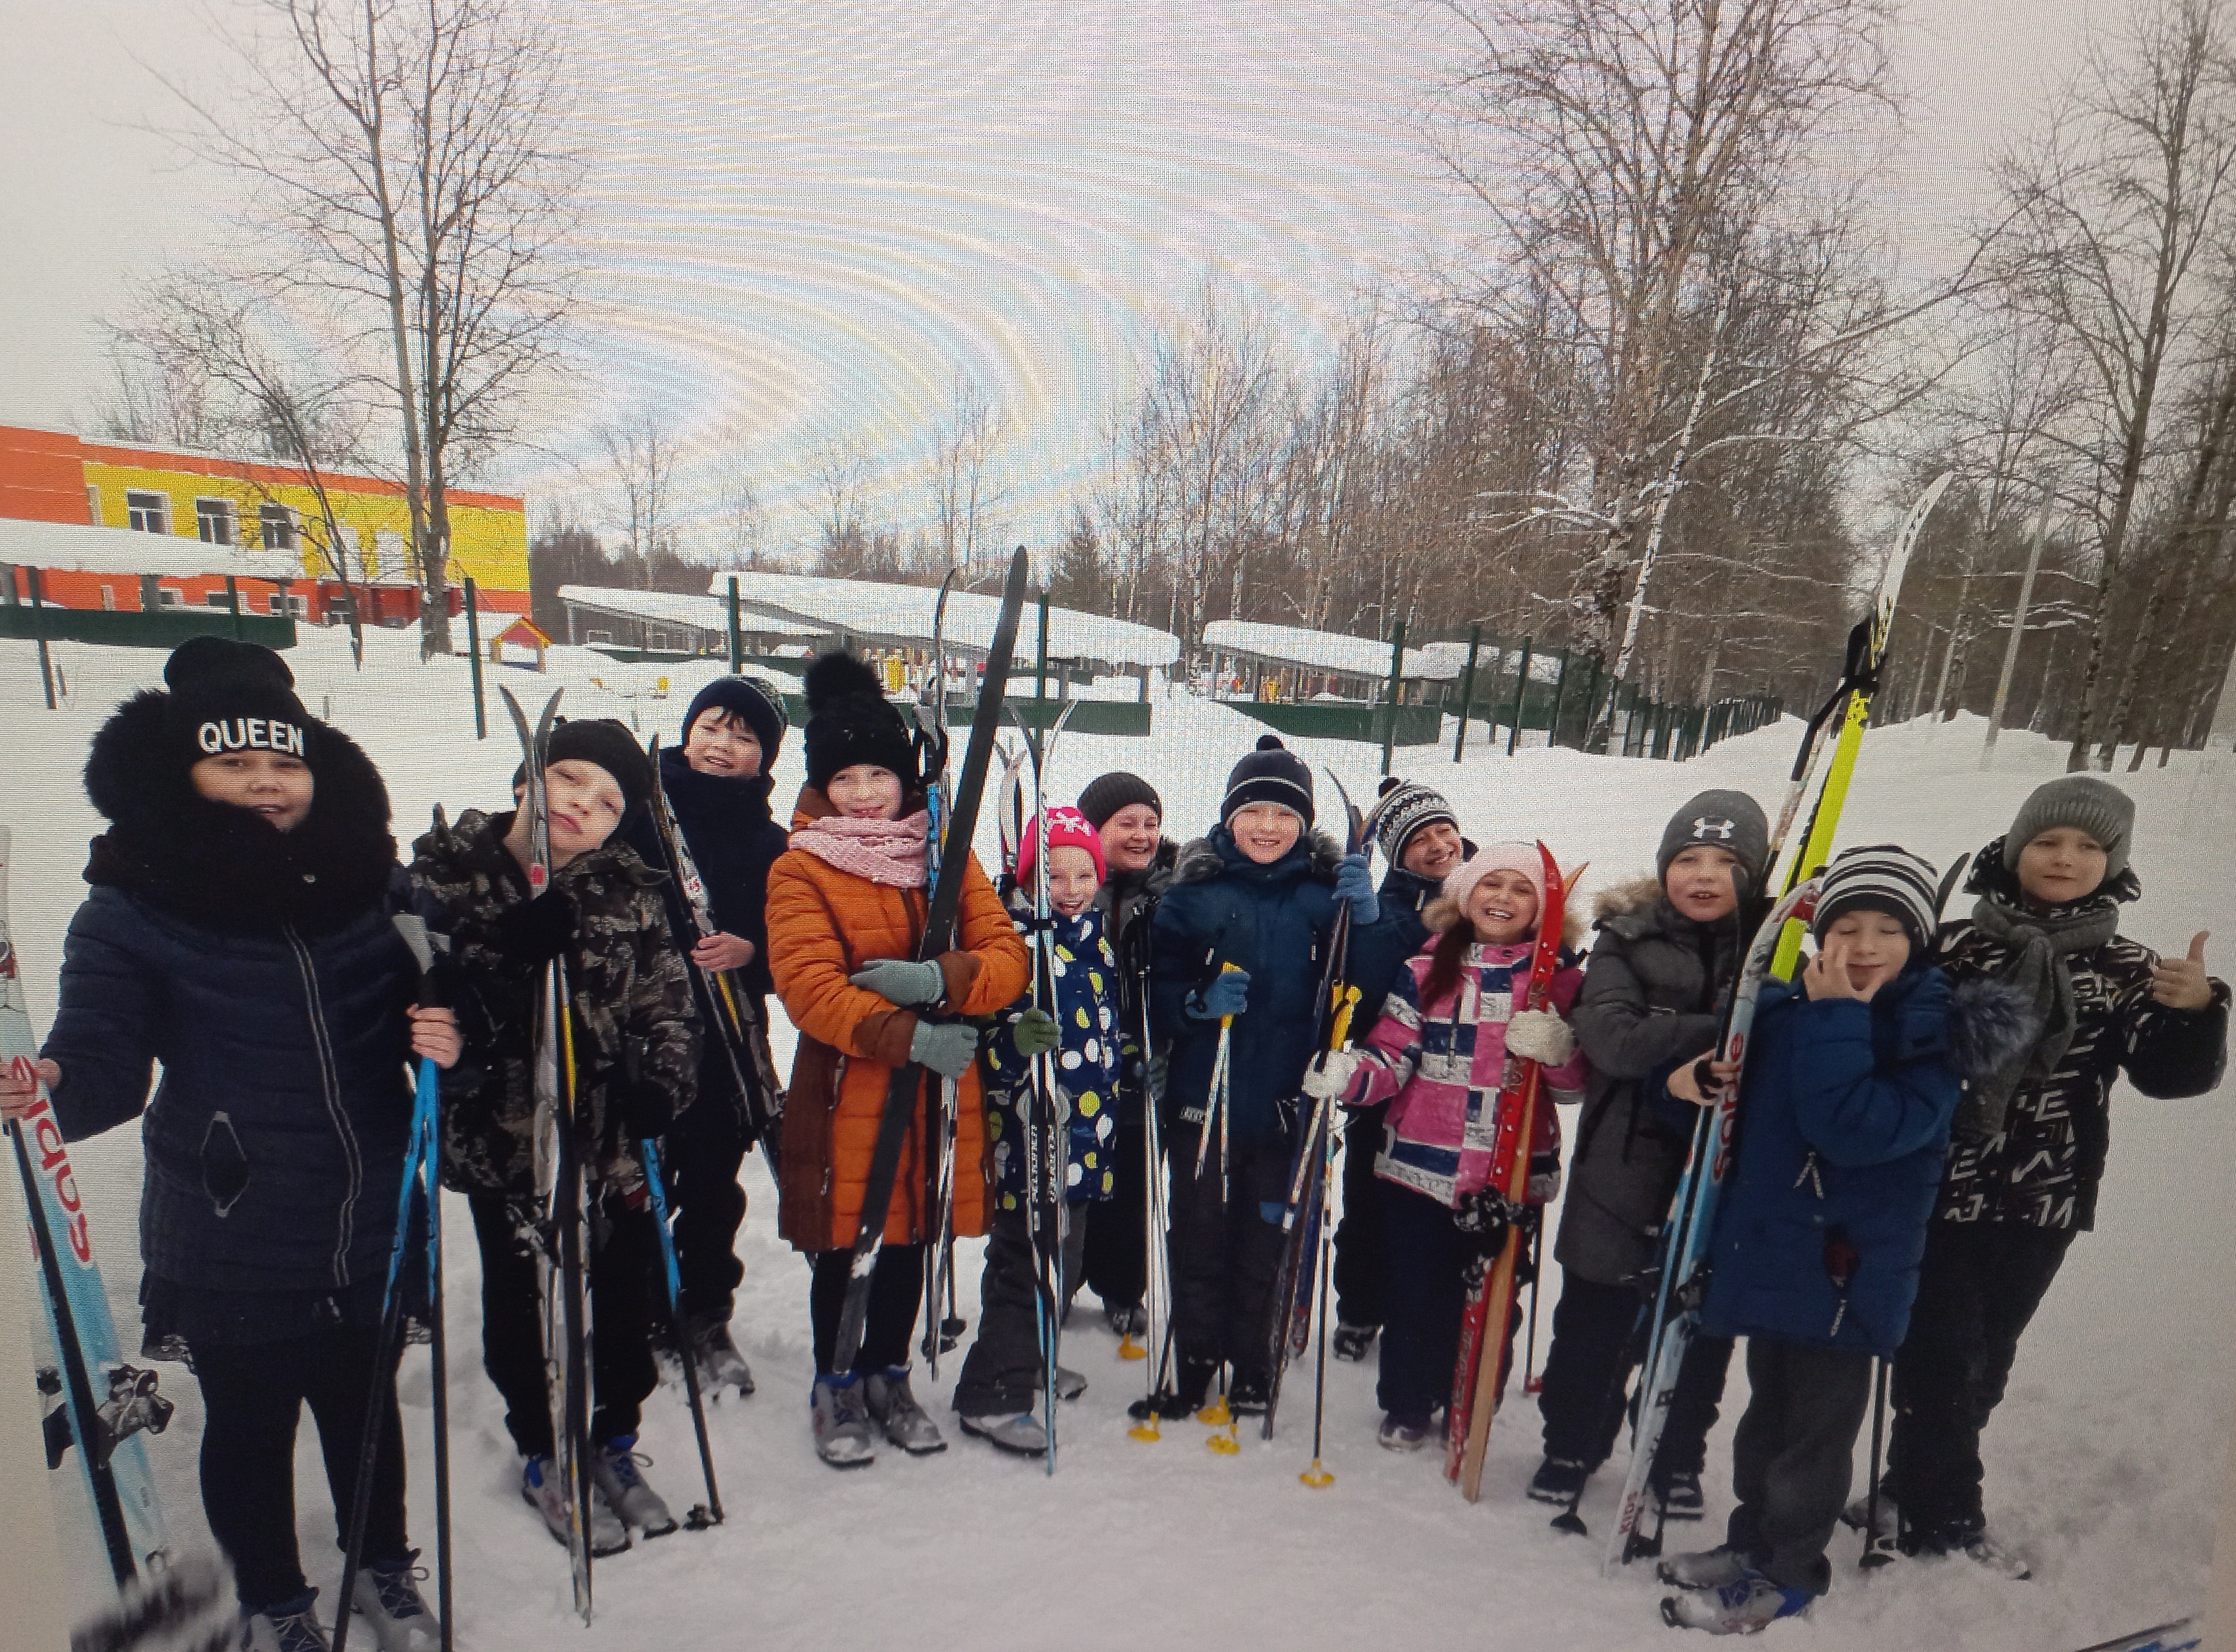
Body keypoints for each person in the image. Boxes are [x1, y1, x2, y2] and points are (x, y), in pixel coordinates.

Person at [0, 637, 456, 1652]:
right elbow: (105, 1058)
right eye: (234, 763)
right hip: (231, 1219)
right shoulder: (132, 906)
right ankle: (275, 1604)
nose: (263, 783)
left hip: (374, 1205)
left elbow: (434, 1001)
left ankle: (383, 1570)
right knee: (252, 1430)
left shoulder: (372, 885)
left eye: (284, 764)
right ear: (185, 773)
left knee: (364, 1407)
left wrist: (448, 1028)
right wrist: (51, 1086)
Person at [1863, 778, 2227, 1573]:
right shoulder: (1953, 947)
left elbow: (2167, 1077)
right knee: (1943, 1353)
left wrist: (2195, 1014)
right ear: (2016, 848)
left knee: (1987, 1356)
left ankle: (1906, 1481)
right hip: (1938, 1184)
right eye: (2049, 841)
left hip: (2047, 1194)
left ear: (2113, 863)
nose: (2066, 858)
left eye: (2089, 847)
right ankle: (1949, 1521)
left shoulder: (2131, 967)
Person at [1659, 846, 1997, 1634]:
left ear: (1919, 940)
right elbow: (1747, 1116)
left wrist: (1837, 1016)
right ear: (1820, 937)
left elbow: (1851, 1129)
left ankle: (1790, 1574)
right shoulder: (1785, 1011)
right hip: (1778, 1258)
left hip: (1850, 1274)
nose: (1865, 947)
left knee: (1812, 1445)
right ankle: (1752, 1544)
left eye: (1889, 929)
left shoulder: (1934, 1034)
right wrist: (1688, 1083)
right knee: (1764, 1430)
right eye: (1847, 927)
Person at [409, 718, 699, 1556]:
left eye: (608, 801)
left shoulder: (626, 888)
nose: (585, 808)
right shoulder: (444, 876)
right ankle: (542, 1451)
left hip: (610, 1142)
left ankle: (611, 1439)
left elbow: (667, 999)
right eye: (570, 781)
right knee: (523, 1300)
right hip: (505, 1140)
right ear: (525, 778)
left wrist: (662, 1083)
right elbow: (431, 1019)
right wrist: (504, 954)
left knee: (621, 1292)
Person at [763, 651, 1028, 1468]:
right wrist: (906, 1033)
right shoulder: (799, 866)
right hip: (851, 1086)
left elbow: (1007, 958)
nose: (866, 792)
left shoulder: (946, 855)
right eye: (845, 779)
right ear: (820, 787)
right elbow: (808, 988)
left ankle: (890, 1374)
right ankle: (835, 1380)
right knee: (848, 1240)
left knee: (914, 1233)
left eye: (879, 773)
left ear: (905, 779)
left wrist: (940, 980)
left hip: (934, 1093)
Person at [1304, 844, 1588, 1448]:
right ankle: (1408, 1402)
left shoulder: (1557, 980)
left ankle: (1472, 1396)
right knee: (1416, 1290)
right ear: (1463, 896)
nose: (1502, 898)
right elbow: (1392, 1056)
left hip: (1507, 1173)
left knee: (1492, 1295)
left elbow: (1570, 1087)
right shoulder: (1425, 969)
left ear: (1542, 909)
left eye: (1520, 889)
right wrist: (1348, 1075)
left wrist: (1557, 1049)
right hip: (1420, 1166)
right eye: (1491, 885)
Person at [1531, 792, 1767, 1518]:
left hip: (1723, 1166)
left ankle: (1672, 1454)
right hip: (1621, 1163)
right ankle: (1573, 1442)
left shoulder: (1773, 948)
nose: (1704, 876)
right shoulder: (1624, 940)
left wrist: (1749, 1014)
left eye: (1727, 863)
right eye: (1688, 860)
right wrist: (1721, 1027)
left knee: (1700, 1325)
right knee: (1595, 1319)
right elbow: (1611, 1040)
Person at [1144, 735, 1382, 1417]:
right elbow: (1156, 989)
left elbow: (1359, 995)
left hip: (1284, 1113)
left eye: (1285, 814)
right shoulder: (1193, 895)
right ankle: (1193, 1362)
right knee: (1197, 1238)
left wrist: (1363, 923)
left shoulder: (1322, 898)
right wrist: (1195, 1003)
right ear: (1230, 816)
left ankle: (1253, 1360)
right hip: (1202, 1102)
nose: (1269, 827)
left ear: (1304, 824)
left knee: (1265, 1244)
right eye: (1255, 812)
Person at [622, 674, 791, 1397]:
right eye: (712, 728)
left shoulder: (772, 842)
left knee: (713, 1187)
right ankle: (635, 1311)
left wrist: (753, 951)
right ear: (687, 733)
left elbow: (795, 941)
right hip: (637, 1037)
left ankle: (704, 1312)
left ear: (765, 758)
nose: (724, 746)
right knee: (633, 1185)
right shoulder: (635, 810)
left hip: (725, 1041)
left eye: (745, 737)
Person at [953, 807, 1125, 1453]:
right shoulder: (1010, 944)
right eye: (1054, 874)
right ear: (1027, 876)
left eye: (1085, 872)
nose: (1072, 887)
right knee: (1025, 1263)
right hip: (1029, 1135)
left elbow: (1104, 1025)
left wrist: (1126, 1058)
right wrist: (1011, 1046)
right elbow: (980, 1046)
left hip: (1086, 1138)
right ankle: (991, 1393)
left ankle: (1033, 1359)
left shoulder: (1095, 939)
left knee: (1065, 1259)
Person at [1331, 776, 1470, 1363]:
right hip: (1387, 1078)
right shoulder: (1387, 905)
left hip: (1461, 1084)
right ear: (1396, 854)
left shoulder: (1487, 890)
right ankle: (1360, 1310)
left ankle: (1440, 1314)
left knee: (1442, 1212)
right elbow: (1362, 993)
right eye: (1418, 839)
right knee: (1368, 1200)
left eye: (1444, 830)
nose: (1438, 845)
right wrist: (1364, 929)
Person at [1075, 771, 1178, 1339]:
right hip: (1079, 1064)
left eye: (1150, 823)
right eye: (1126, 824)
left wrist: (1160, 1043)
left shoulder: (1171, 893)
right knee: (1072, 1171)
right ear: (1095, 829)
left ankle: (1121, 1287)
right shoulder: (1070, 885)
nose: (1142, 835)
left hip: (1145, 1065)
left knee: (1131, 1178)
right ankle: (1060, 1276)